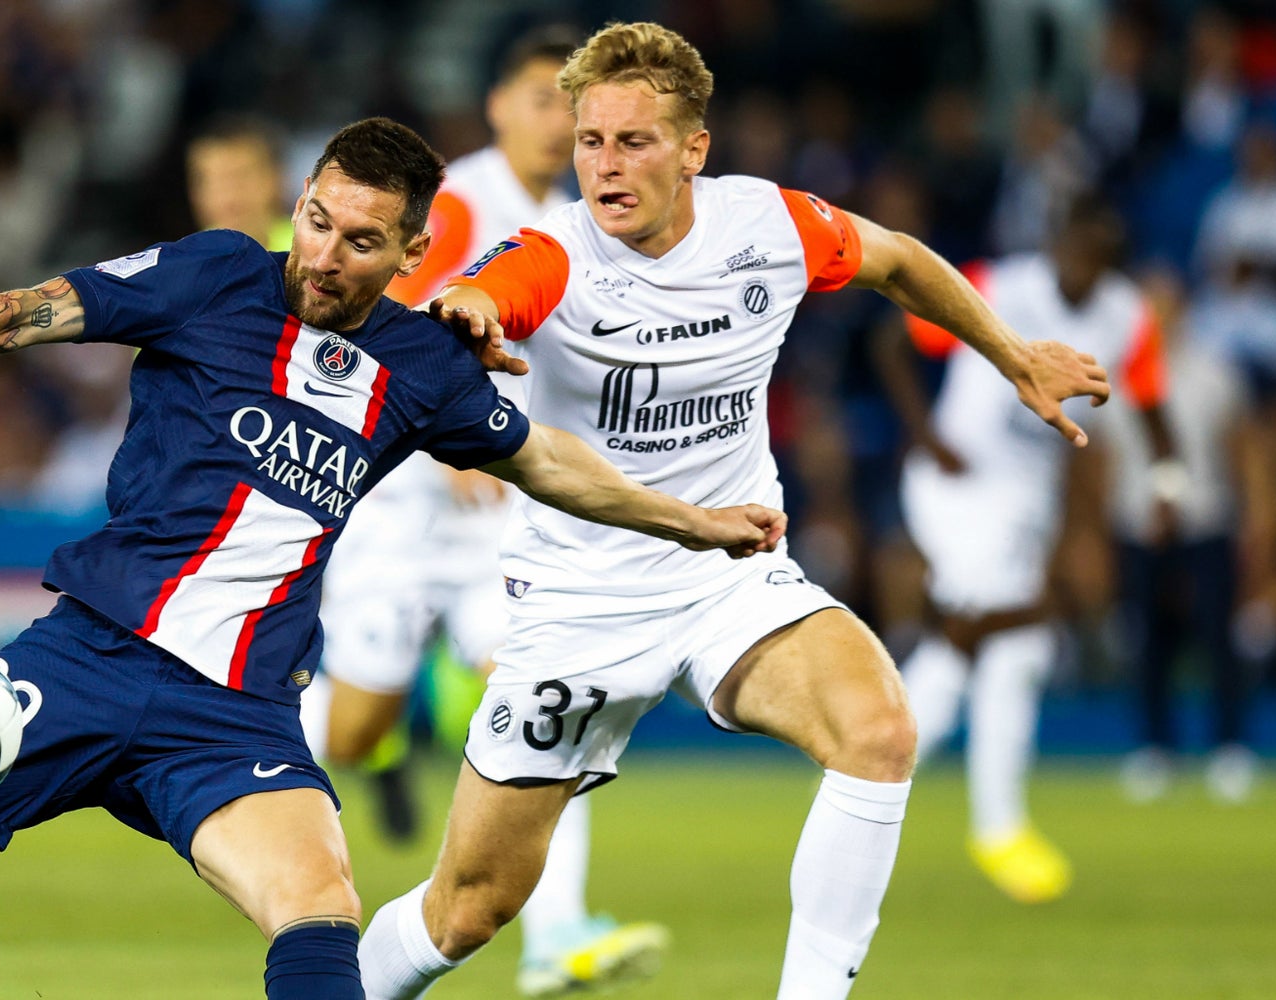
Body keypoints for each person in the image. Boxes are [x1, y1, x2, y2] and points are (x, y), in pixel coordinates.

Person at [0, 117, 785, 999]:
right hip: (89, 655)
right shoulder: (213, 275)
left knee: (319, 902)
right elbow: (23, 311)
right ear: (297, 202)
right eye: (314, 220)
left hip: (231, 714)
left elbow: (548, 464)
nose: (323, 254)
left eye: (359, 241)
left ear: (410, 248)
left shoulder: (422, 363)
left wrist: (693, 522)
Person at [355, 24, 1114, 1000]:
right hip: (577, 604)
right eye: (590, 140)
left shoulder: (767, 224)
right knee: (465, 909)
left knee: (877, 729)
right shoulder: (554, 251)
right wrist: (467, 312)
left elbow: (897, 262)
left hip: (727, 575)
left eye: (633, 141)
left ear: (693, 150)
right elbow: (486, 289)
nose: (603, 165)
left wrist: (1015, 357)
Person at [301, 26, 670, 998]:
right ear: (497, 105)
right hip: (407, 502)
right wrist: (438, 428)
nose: (560, 123)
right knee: (345, 730)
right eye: (541, 100)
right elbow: (382, 325)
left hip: (501, 513)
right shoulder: (461, 201)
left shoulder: (568, 216)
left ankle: (555, 937)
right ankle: (184, 747)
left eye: (574, 107)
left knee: (548, 695)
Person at [882, 196, 1177, 904]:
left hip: (1025, 503)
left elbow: (1150, 404)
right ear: (1055, 238)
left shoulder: (1125, 314)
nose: (1082, 259)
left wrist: (1169, 481)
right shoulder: (1000, 287)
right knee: (1012, 629)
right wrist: (924, 434)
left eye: (1099, 249)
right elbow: (892, 342)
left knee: (986, 647)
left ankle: (877, 762)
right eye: (1075, 242)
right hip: (957, 483)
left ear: (1111, 256)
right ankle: (985, 821)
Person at [1100, 272, 1261, 805]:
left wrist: (1255, 517)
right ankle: (1155, 747)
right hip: (1135, 523)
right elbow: (1103, 460)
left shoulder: (1215, 372)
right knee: (1148, 640)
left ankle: (1230, 746)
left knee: (1219, 637)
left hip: (1206, 519)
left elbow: (1238, 451)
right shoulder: (1115, 372)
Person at [186, 116, 294, 252]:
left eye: (241, 177)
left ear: (277, 178)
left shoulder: (314, 252)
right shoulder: (182, 264)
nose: (229, 195)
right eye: (217, 181)